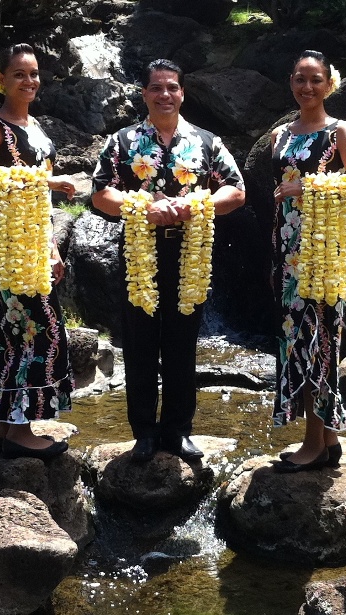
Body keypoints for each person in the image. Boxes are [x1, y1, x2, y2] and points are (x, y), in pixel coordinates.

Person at [91, 59, 245, 463]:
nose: (165, 95)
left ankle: (179, 430)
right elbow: (99, 193)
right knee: (139, 343)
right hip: (140, 253)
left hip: (188, 253)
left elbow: (237, 191)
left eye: (172, 87)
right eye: (156, 88)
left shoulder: (206, 142)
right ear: (144, 93)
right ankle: (143, 431)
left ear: (182, 93)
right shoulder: (122, 142)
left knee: (182, 344)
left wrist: (198, 205)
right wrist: (138, 207)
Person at [270, 50, 346, 473]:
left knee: (319, 342)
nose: (306, 87)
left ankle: (312, 445)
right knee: (297, 341)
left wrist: (305, 189)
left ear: (330, 83)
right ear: (291, 82)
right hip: (286, 253)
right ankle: (327, 439)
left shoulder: (339, 131)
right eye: (299, 78)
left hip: (322, 256)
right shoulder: (280, 135)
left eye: (315, 79)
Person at [0, 43, 75, 460]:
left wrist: (52, 248)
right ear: (1, 78)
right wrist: (47, 182)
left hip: (36, 236)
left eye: (34, 74)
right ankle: (19, 431)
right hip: (12, 240)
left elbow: (43, 204)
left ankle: (5, 429)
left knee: (21, 329)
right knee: (34, 329)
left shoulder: (36, 127)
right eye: (20, 74)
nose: (30, 81)